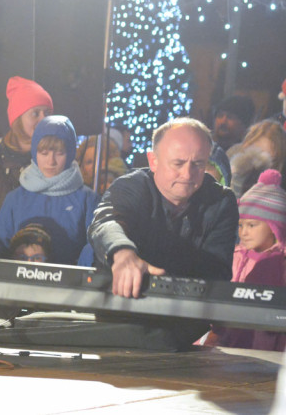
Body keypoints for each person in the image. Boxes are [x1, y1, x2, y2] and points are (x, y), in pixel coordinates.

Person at [88, 118, 239, 298]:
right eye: (178, 163)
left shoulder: (221, 201)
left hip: (185, 316)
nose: (187, 174)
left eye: (198, 164)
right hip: (120, 305)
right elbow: (106, 222)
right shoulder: (131, 186)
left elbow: (216, 273)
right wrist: (122, 253)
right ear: (153, 161)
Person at [0, 115, 97, 265]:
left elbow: (95, 246)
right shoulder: (15, 199)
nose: (51, 161)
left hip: (70, 284)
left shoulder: (87, 199)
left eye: (59, 153)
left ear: (71, 154)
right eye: (44, 153)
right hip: (21, 282)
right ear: (35, 153)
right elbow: (0, 247)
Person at [214, 170, 286, 351]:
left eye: (252, 225)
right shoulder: (235, 256)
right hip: (233, 342)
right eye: (241, 225)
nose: (244, 232)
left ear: (275, 226)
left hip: (276, 345)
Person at [0, 76, 53, 233]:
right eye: (35, 113)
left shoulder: (55, 161)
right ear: (18, 118)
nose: (44, 119)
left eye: (47, 112)